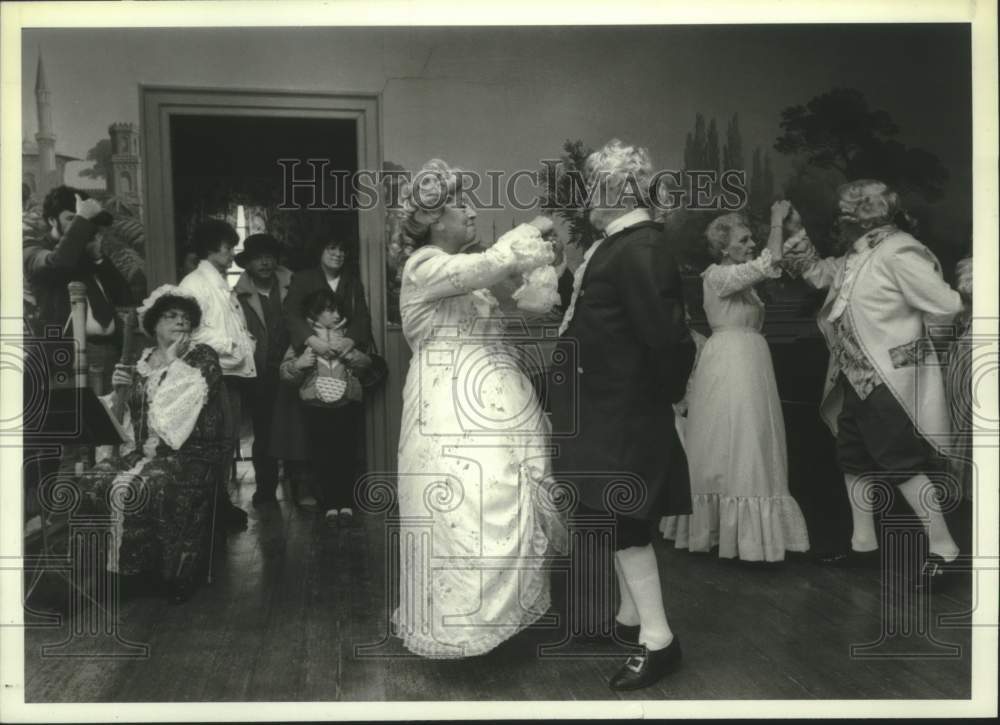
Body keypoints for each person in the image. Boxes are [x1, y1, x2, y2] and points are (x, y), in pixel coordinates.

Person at [393, 158, 563, 658]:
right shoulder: (423, 266)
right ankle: (460, 626)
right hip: (448, 401)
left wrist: (545, 264)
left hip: (499, 393)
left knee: (509, 495)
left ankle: (507, 620)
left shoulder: (475, 281)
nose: (471, 213)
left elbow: (535, 305)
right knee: (466, 502)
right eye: (460, 206)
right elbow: (485, 264)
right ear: (431, 220)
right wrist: (528, 230)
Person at [551, 139, 694, 691]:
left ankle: (660, 641)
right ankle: (630, 620)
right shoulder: (620, 244)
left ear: (617, 190)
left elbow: (667, 341)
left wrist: (660, 401)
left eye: (593, 185)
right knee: (615, 519)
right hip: (608, 409)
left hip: (626, 412)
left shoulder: (639, 246)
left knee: (627, 522)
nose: (587, 196)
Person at [782, 180, 964, 583]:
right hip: (852, 375)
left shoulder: (899, 251)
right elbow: (817, 275)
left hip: (886, 378)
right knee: (853, 457)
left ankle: (945, 549)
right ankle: (863, 544)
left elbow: (948, 305)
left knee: (899, 462)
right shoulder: (860, 251)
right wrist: (795, 231)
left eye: (845, 216)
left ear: (855, 217)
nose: (841, 224)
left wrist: (912, 354)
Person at [663, 204, 810, 561]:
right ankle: (721, 530)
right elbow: (769, 261)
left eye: (751, 238)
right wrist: (774, 220)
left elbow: (778, 261)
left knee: (753, 436)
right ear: (723, 247)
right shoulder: (716, 276)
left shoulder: (743, 277)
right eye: (743, 240)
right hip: (729, 361)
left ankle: (747, 531)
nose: (751, 243)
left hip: (750, 359)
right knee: (730, 437)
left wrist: (793, 228)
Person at [78, 285, 227, 604]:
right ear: (154, 324)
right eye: (171, 316)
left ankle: (171, 574)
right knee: (92, 480)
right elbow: (127, 419)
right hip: (140, 450)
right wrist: (117, 390)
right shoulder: (142, 360)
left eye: (186, 317)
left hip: (189, 451)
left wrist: (173, 364)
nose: (181, 322)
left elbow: (176, 418)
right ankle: (113, 573)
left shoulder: (202, 358)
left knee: (152, 484)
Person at [281, 234, 374, 509]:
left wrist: (349, 341)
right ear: (320, 251)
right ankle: (325, 499)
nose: (337, 254)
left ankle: (344, 499)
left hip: (345, 376)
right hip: (314, 370)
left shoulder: (352, 281)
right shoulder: (304, 278)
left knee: (346, 444)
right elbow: (291, 315)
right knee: (318, 444)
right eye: (331, 247)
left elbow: (362, 317)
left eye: (342, 249)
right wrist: (313, 342)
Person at [179, 219, 256, 529]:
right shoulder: (194, 285)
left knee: (226, 441)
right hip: (213, 374)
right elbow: (189, 333)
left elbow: (230, 324)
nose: (231, 252)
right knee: (217, 442)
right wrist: (232, 344)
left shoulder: (219, 282)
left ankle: (219, 506)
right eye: (227, 247)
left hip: (229, 371)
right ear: (212, 248)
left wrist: (246, 342)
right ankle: (213, 510)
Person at [23, 185, 132, 391]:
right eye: (71, 218)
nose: (81, 225)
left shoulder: (89, 253)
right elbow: (58, 262)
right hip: (67, 360)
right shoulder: (33, 250)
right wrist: (83, 218)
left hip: (110, 355)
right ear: (52, 221)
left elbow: (124, 298)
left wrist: (99, 258)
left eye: (83, 219)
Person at [233, 234, 293, 506]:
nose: (266, 262)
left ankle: (299, 488)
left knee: (296, 427)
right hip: (260, 372)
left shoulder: (293, 285)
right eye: (258, 257)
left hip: (295, 367)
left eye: (269, 256)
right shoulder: (238, 296)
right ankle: (266, 490)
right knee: (264, 432)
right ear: (248, 263)